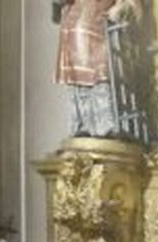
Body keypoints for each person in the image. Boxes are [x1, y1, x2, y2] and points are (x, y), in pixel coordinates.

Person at [53, 0, 143, 139]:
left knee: (102, 77)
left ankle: (106, 127)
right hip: (74, 29)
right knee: (78, 81)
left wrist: (122, 7)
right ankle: (83, 125)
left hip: (101, 27)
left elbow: (132, 5)